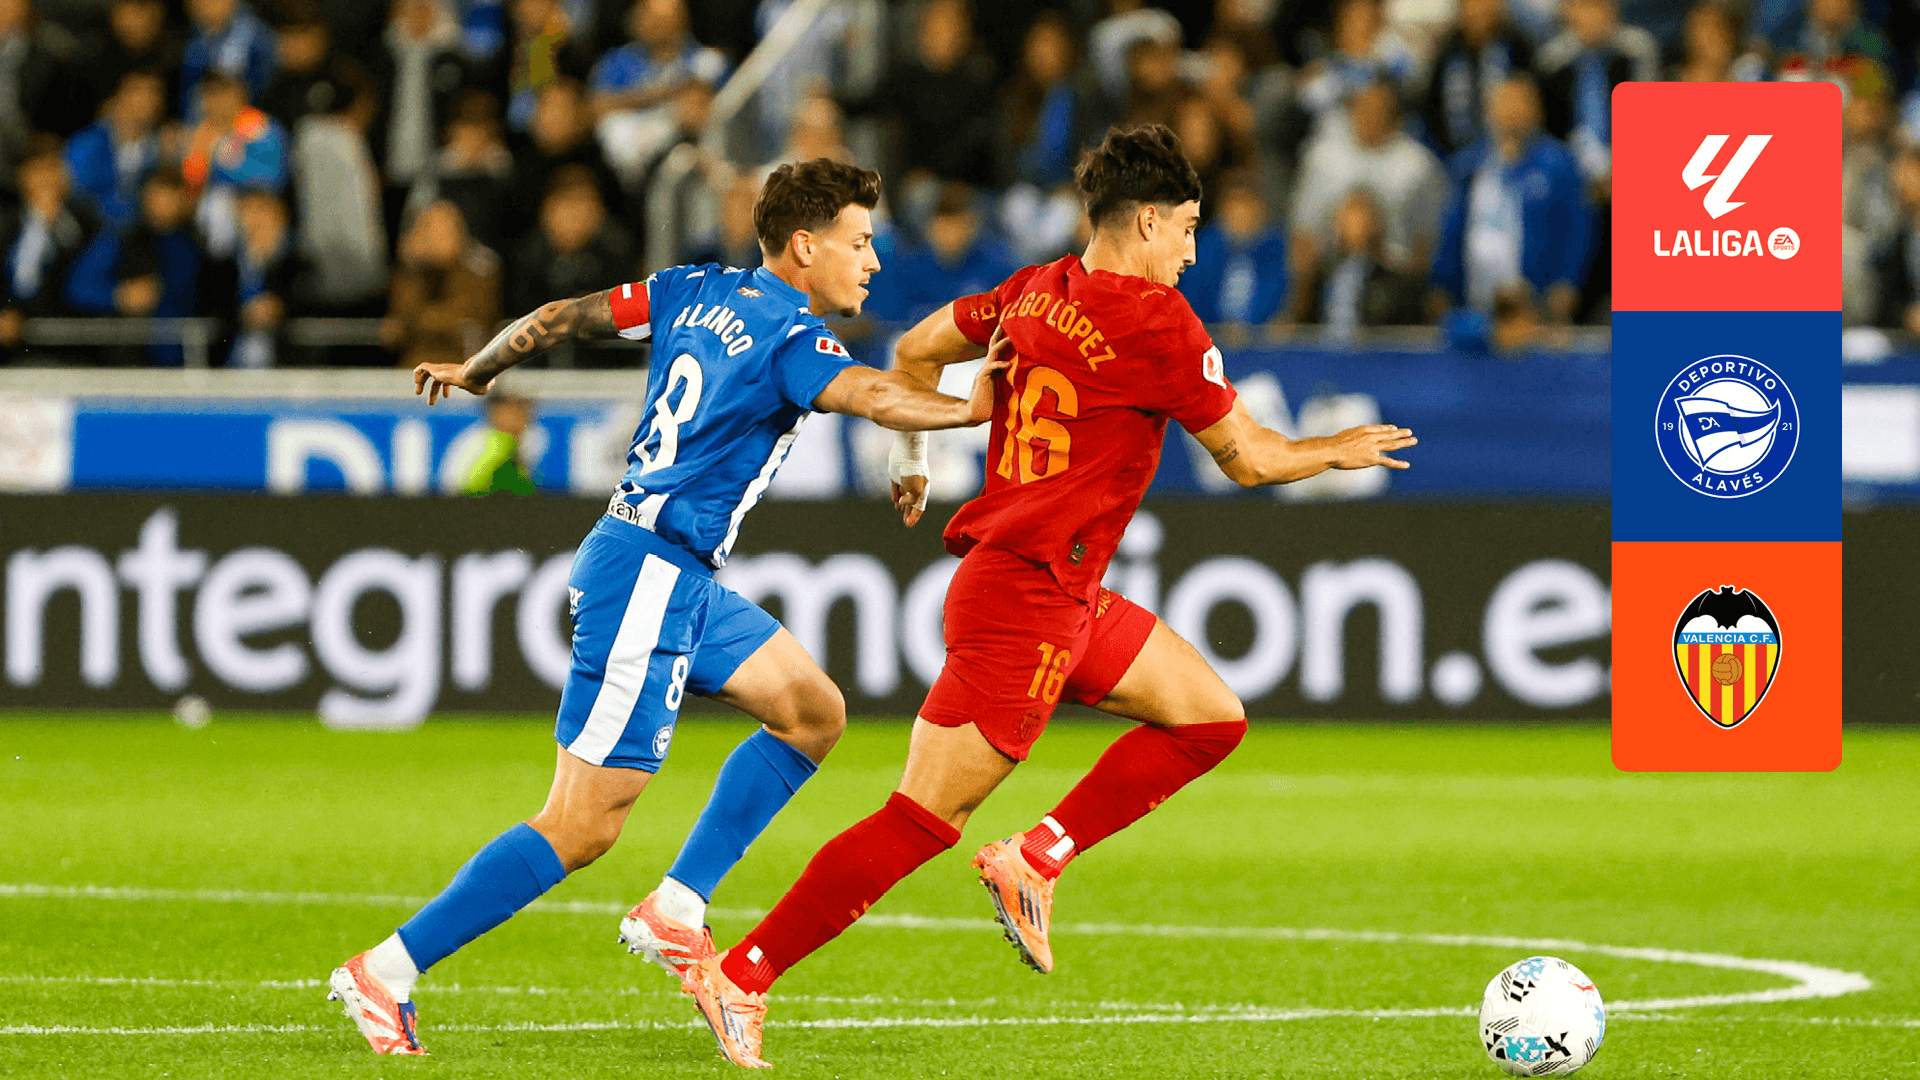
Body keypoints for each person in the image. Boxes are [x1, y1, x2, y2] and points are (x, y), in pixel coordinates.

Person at [678, 125, 1417, 1069]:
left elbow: (915, 346)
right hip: (1024, 601)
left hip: (1049, 589)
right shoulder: (1158, 323)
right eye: (1187, 229)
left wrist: (912, 459)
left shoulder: (1033, 290)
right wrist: (1335, 451)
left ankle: (1037, 855)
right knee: (919, 820)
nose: (1192, 252)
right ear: (1145, 222)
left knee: (1209, 717)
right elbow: (1250, 460)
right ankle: (741, 975)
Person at [325, 157, 1007, 1056]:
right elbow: (874, 394)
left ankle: (677, 907)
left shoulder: (692, 288)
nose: (873, 261)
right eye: (860, 242)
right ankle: (387, 970)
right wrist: (968, 410)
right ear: (806, 247)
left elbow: (559, 316)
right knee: (581, 824)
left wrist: (482, 369)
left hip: (672, 574)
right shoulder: (793, 341)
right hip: (650, 576)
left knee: (812, 712)